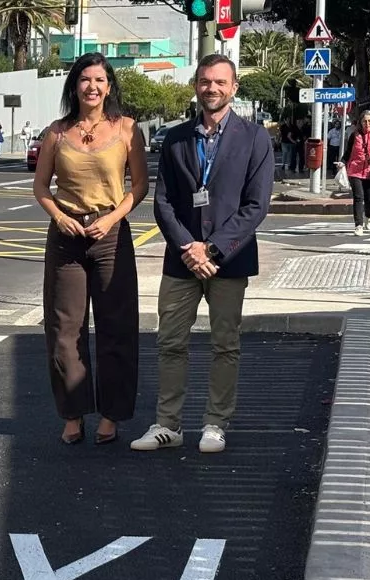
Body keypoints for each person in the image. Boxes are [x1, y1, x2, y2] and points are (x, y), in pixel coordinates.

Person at [131, 53, 273, 455]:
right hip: (182, 260)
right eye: (205, 81)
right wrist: (188, 248)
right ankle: (168, 425)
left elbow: (256, 205)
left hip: (229, 258)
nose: (212, 88)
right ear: (196, 85)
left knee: (224, 344)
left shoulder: (254, 138)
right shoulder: (176, 137)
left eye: (220, 82)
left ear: (234, 88)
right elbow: (164, 203)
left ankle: (215, 423)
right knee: (170, 342)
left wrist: (210, 248)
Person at [33, 51, 150, 446]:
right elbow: (40, 187)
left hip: (110, 234)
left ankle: (112, 415)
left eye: (99, 80)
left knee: (117, 327)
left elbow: (139, 187)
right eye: (85, 80)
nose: (92, 87)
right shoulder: (56, 132)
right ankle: (72, 413)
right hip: (66, 236)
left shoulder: (128, 130)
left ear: (109, 86)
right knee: (65, 329)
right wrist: (58, 216)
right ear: (75, 86)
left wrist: (112, 218)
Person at [336, 110, 370, 237]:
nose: (367, 123)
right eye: (364, 121)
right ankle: (358, 225)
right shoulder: (355, 135)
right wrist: (342, 162)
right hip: (355, 171)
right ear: (361, 123)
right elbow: (348, 152)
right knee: (358, 198)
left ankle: (369, 216)